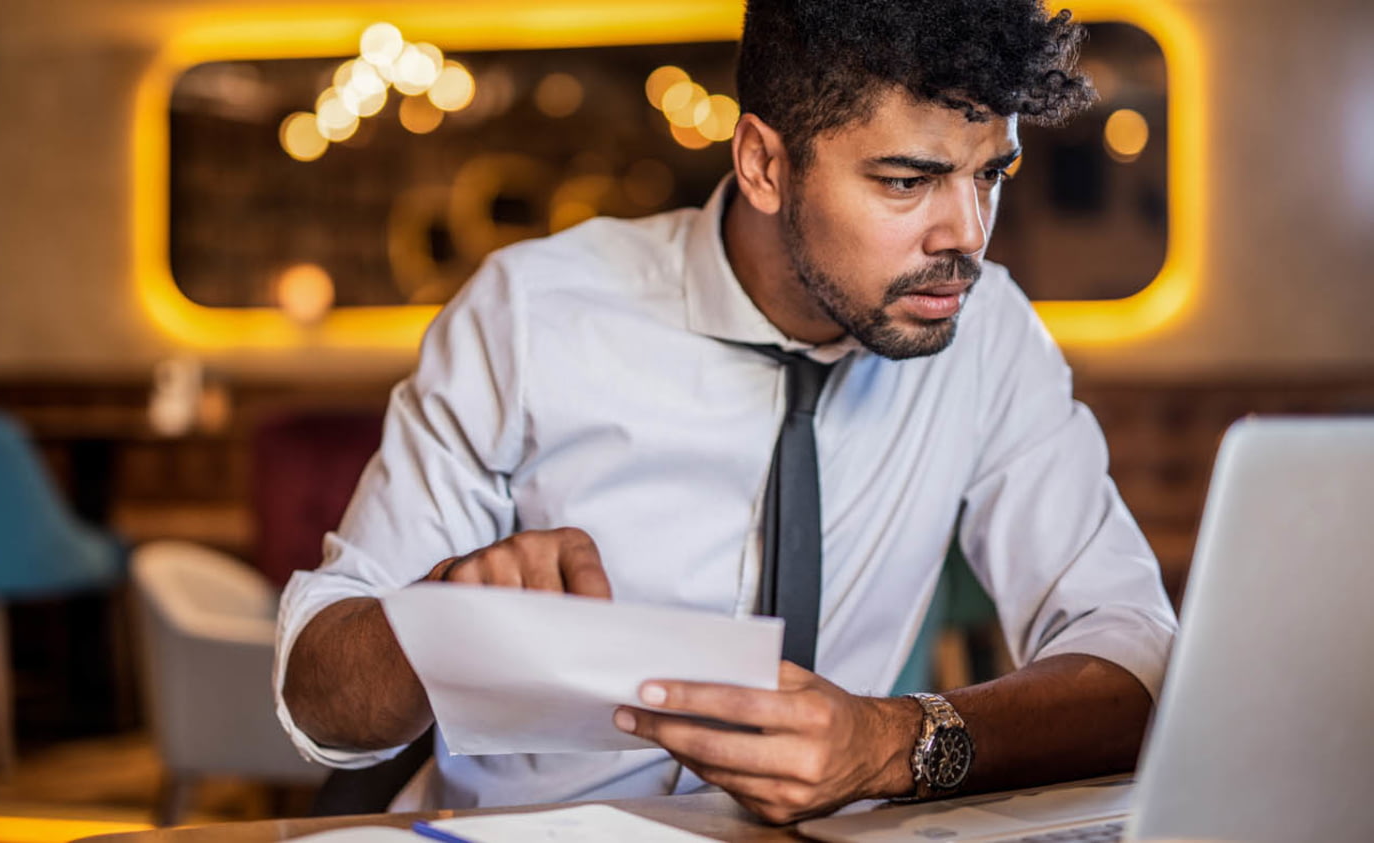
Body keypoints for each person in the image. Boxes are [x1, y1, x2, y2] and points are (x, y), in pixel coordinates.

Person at [275, 0, 1178, 824]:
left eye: (990, 176)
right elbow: (319, 695)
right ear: (763, 162)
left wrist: (895, 741)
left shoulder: (990, 336)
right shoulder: (529, 314)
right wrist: (438, 622)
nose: (967, 237)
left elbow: (1137, 658)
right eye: (908, 181)